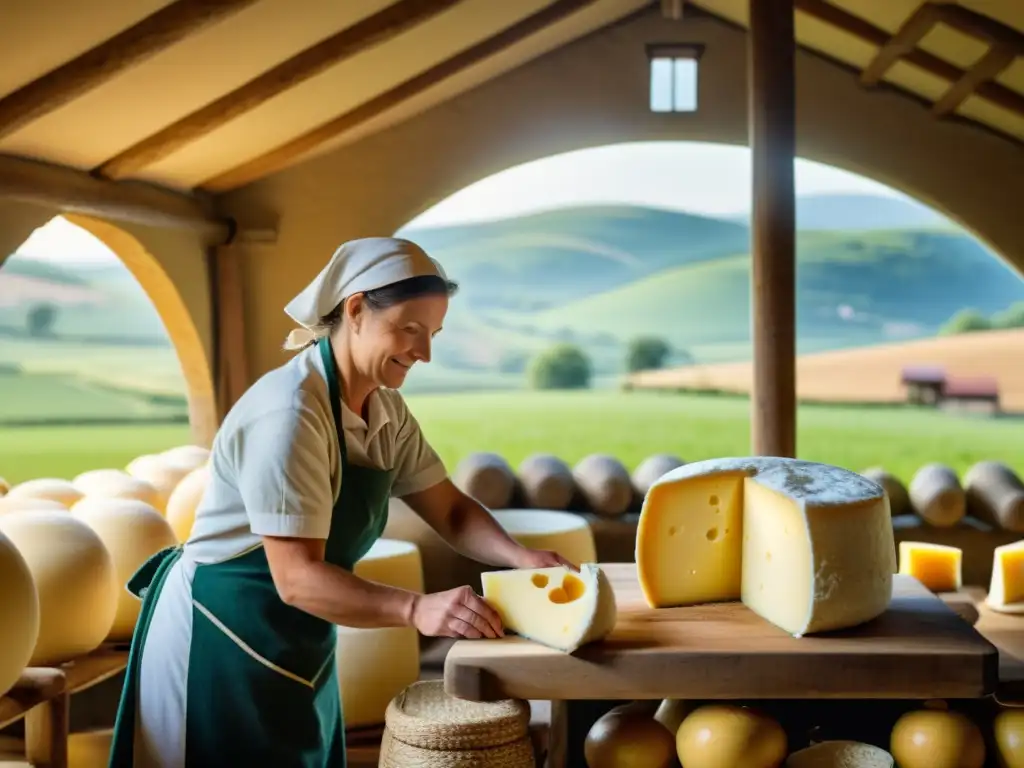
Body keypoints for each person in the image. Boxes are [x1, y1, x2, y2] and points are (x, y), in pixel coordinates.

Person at [108, 237, 576, 767]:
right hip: (216, 640)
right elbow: (298, 578)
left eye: (434, 334)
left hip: (297, 640)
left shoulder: (385, 411)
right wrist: (417, 609)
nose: (424, 353)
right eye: (410, 329)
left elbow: (451, 510)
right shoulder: (289, 415)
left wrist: (520, 558)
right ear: (355, 310)